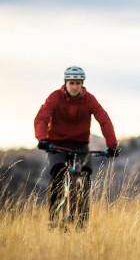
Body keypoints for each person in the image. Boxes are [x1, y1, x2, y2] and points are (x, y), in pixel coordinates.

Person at [34, 65, 120, 227]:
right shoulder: (55, 97)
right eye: (72, 83)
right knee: (58, 173)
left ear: (82, 84)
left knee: (85, 175)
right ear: (66, 83)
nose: (75, 86)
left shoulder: (89, 100)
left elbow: (104, 120)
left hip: (80, 144)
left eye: (78, 83)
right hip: (57, 144)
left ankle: (82, 222)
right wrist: (42, 138)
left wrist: (112, 145)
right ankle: (53, 216)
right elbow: (42, 118)